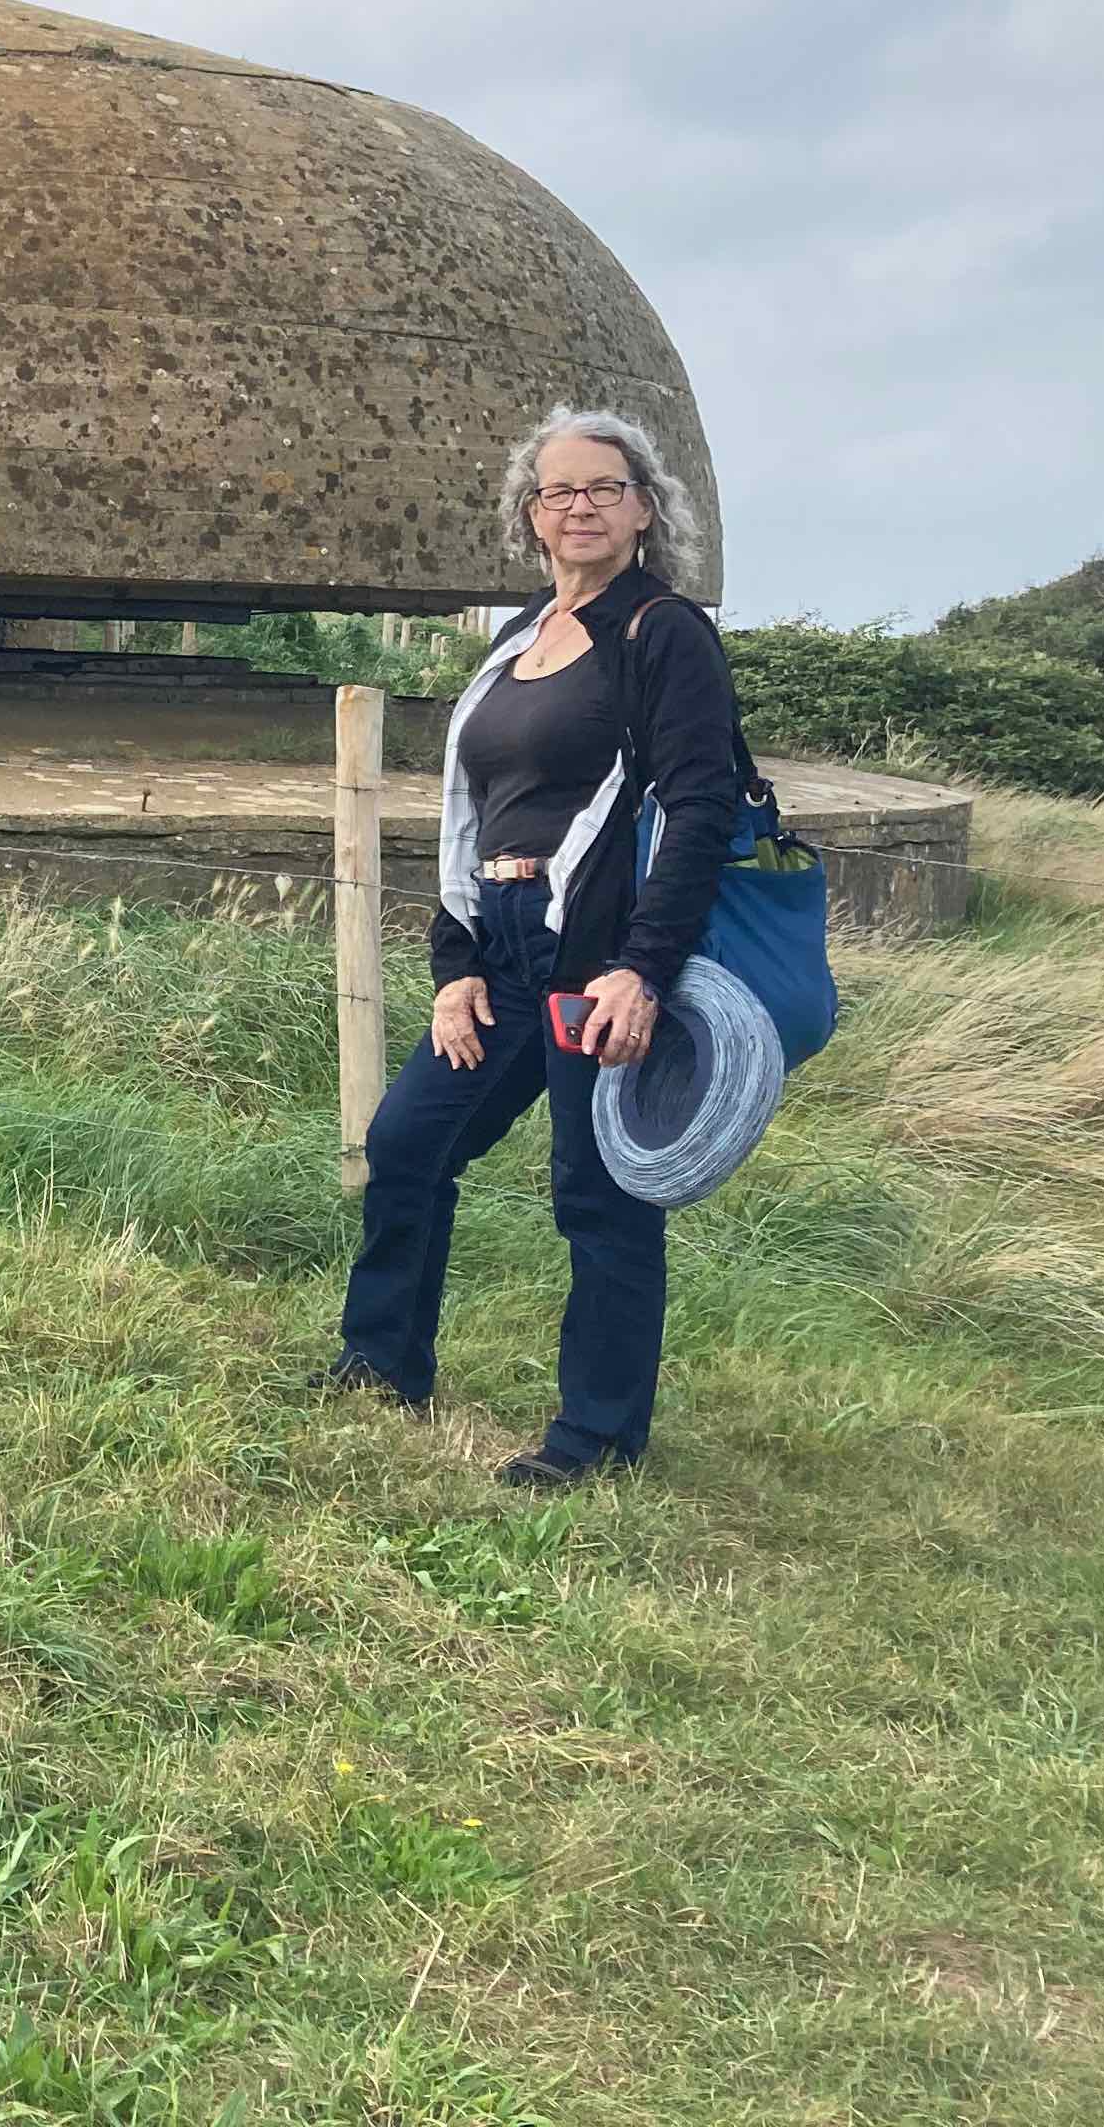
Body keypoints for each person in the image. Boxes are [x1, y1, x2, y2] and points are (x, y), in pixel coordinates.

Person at [318, 406, 750, 1486]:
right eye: (559, 491)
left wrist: (642, 967)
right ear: (531, 516)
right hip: (500, 942)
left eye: (605, 488)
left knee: (596, 1190)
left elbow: (698, 807)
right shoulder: (518, 636)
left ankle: (596, 1437)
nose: (581, 506)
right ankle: (381, 1364)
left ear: (646, 510)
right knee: (409, 1145)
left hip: (599, 949)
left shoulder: (663, 633)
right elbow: (476, 814)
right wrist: (454, 965)